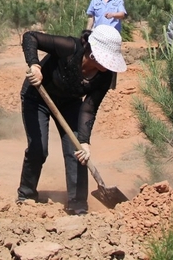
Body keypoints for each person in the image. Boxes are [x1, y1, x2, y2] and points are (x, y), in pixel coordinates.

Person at [18, 24, 127, 215]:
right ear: (93, 53)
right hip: (38, 96)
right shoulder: (70, 48)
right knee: (39, 148)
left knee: (77, 151)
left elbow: (89, 108)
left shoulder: (105, 76)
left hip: (69, 103)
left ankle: (78, 204)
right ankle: (26, 195)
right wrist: (35, 65)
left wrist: (84, 141)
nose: (110, 65)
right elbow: (30, 37)